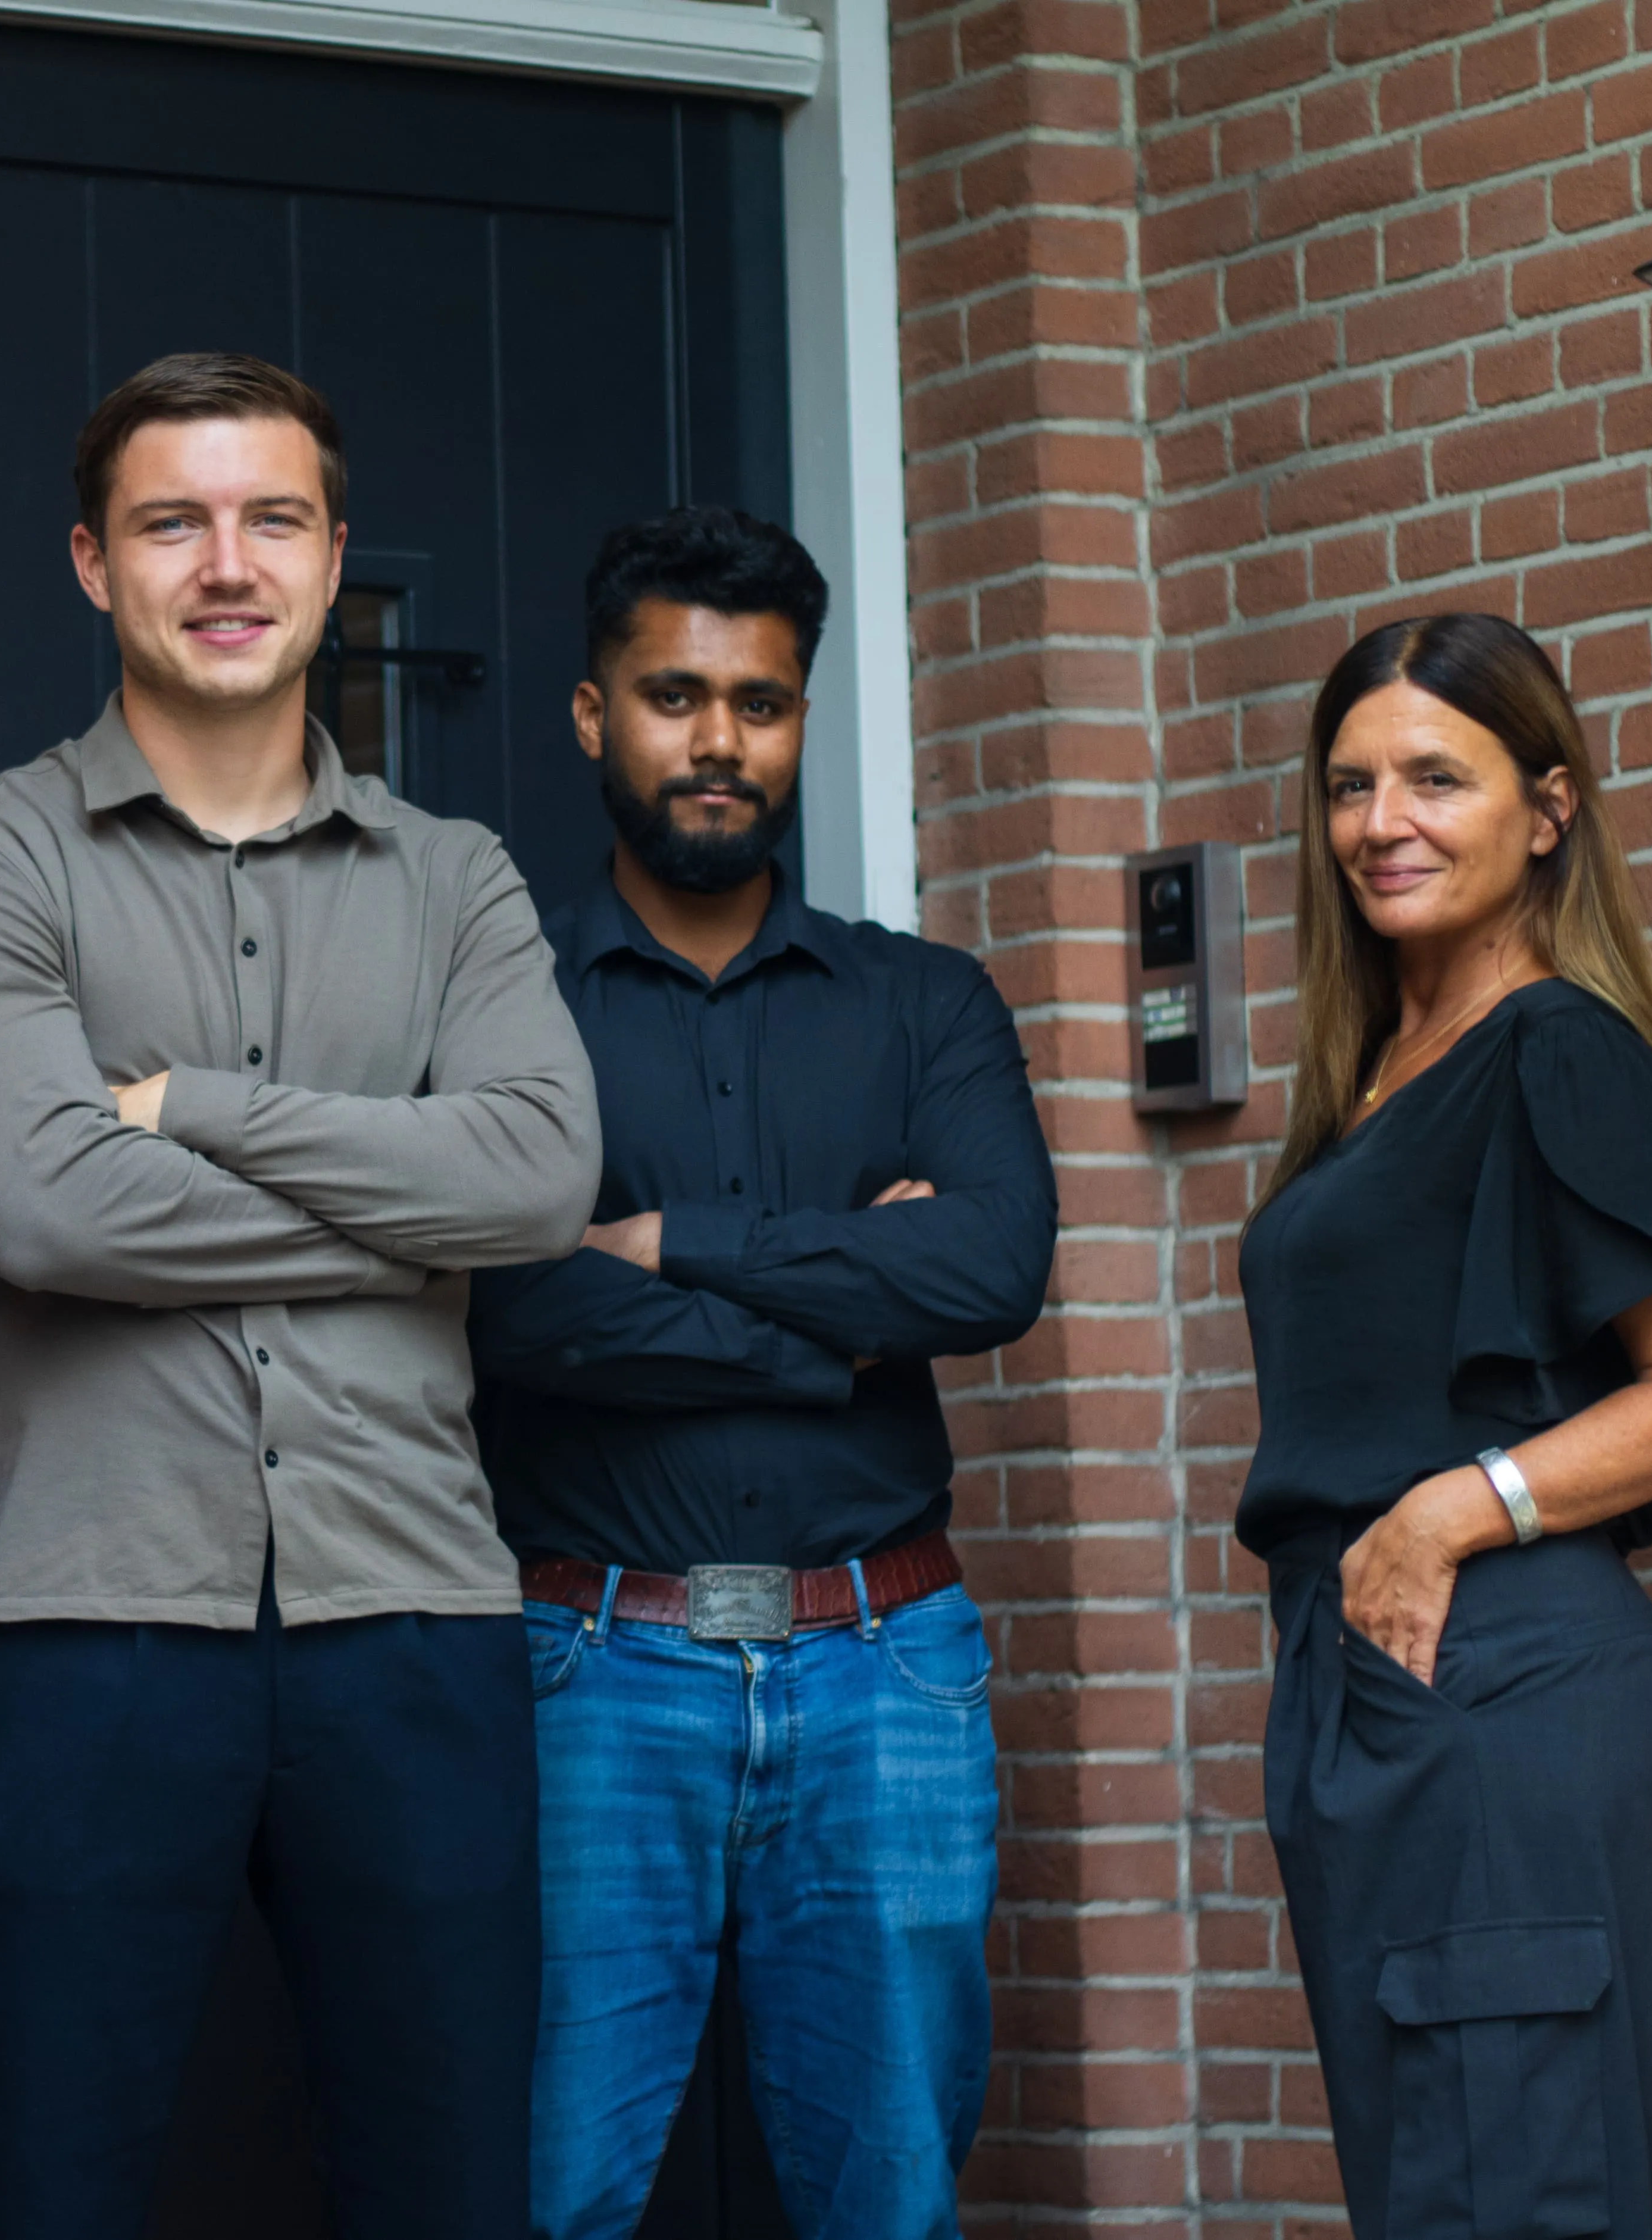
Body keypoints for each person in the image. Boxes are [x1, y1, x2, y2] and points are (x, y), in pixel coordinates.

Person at [0, 351, 600, 2238]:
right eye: (171, 522)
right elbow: (44, 1214)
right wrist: (414, 1202)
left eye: (271, 517)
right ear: (88, 564)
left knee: (444, 2187)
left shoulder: (456, 882)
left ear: (334, 553)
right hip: (86, 1610)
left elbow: (539, 1174)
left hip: (415, 1618)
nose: (226, 562)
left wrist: (193, 1112)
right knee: (44, 2182)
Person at [465, 507, 1056, 2239]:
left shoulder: (926, 1004)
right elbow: (502, 1315)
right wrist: (841, 1309)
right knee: (544, 2194)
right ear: (593, 716)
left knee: (888, 2204)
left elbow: (990, 1269)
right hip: (590, 1666)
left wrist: (669, 1242)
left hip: (888, 1672)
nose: (719, 741)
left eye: (761, 702)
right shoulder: (504, 1013)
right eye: (673, 694)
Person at [1238, 613, 1652, 2240]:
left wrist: (1450, 1509)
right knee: (1433, 2181)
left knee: (1505, 2183)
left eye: (1433, 779)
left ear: (1546, 809)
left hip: (1490, 1659)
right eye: (1347, 785)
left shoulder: (1556, 1050)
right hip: (1370, 1671)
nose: (1380, 823)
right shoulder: (1377, 1073)